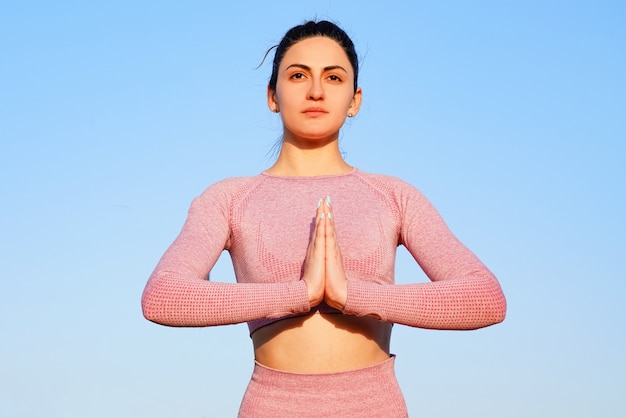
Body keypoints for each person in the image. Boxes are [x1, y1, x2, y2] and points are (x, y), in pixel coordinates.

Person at [141, 20, 506, 417]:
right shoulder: (228, 199)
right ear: (272, 95)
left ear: (355, 100)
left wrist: (351, 296)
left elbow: (485, 298)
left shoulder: (394, 195)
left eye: (333, 77)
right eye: (298, 75)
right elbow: (164, 297)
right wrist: (301, 293)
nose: (315, 91)